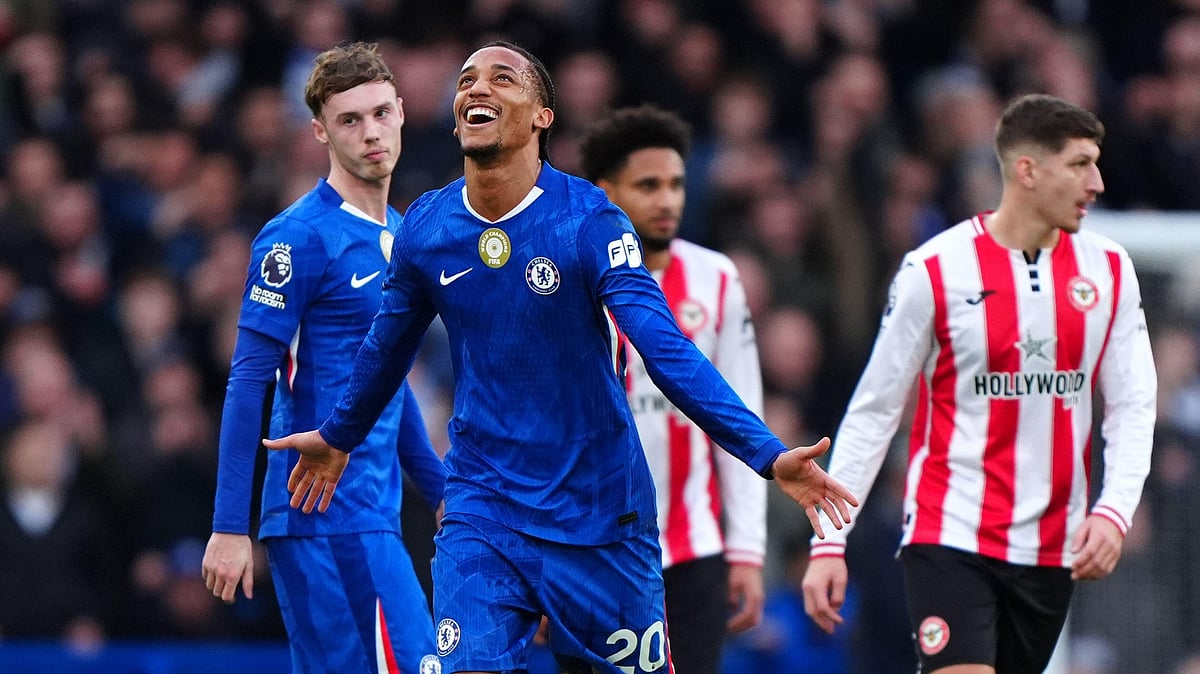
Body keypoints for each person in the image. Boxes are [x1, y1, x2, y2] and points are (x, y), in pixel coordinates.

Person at [264, 40, 857, 674]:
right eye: (466, 81)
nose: (476, 89)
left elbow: (666, 350)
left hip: (600, 514)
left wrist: (766, 454)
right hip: (483, 509)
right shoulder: (428, 228)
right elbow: (386, 348)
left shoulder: (589, 221)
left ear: (543, 115)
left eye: (502, 79)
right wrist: (339, 435)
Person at [801, 93, 1157, 674]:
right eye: (1079, 164)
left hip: (1052, 546)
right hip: (950, 531)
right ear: (1027, 171)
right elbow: (875, 410)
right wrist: (829, 543)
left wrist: (1115, 509)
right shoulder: (934, 270)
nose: (1096, 182)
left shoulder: (1110, 269)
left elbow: (1133, 404)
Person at [200, 42, 447, 673]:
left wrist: (444, 492)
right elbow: (248, 379)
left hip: (373, 515)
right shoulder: (300, 237)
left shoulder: (401, 232)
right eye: (349, 120)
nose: (371, 133)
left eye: (380, 114)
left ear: (401, 112)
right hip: (322, 517)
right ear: (320, 131)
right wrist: (231, 525)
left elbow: (388, 384)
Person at [578, 104, 767, 674]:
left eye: (677, 184)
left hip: (694, 553)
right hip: (590, 550)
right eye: (648, 185)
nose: (667, 200)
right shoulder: (567, 277)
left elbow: (741, 414)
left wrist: (748, 550)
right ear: (606, 190)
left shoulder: (717, 278)